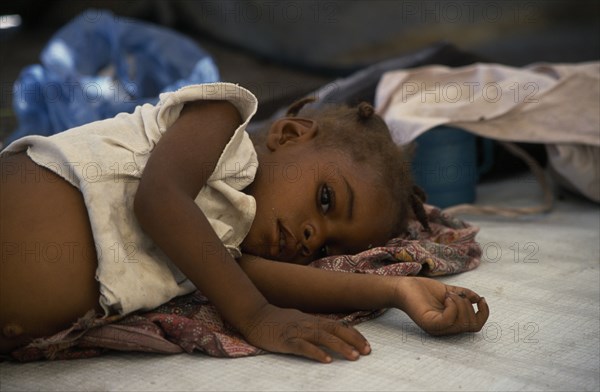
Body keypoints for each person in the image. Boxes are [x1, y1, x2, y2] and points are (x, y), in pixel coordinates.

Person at [0, 83, 488, 362]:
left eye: (324, 247)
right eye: (325, 198)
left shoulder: (222, 250)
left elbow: (252, 278)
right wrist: (255, 317)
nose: (313, 238)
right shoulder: (219, 118)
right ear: (291, 134)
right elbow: (160, 200)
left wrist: (398, 294)